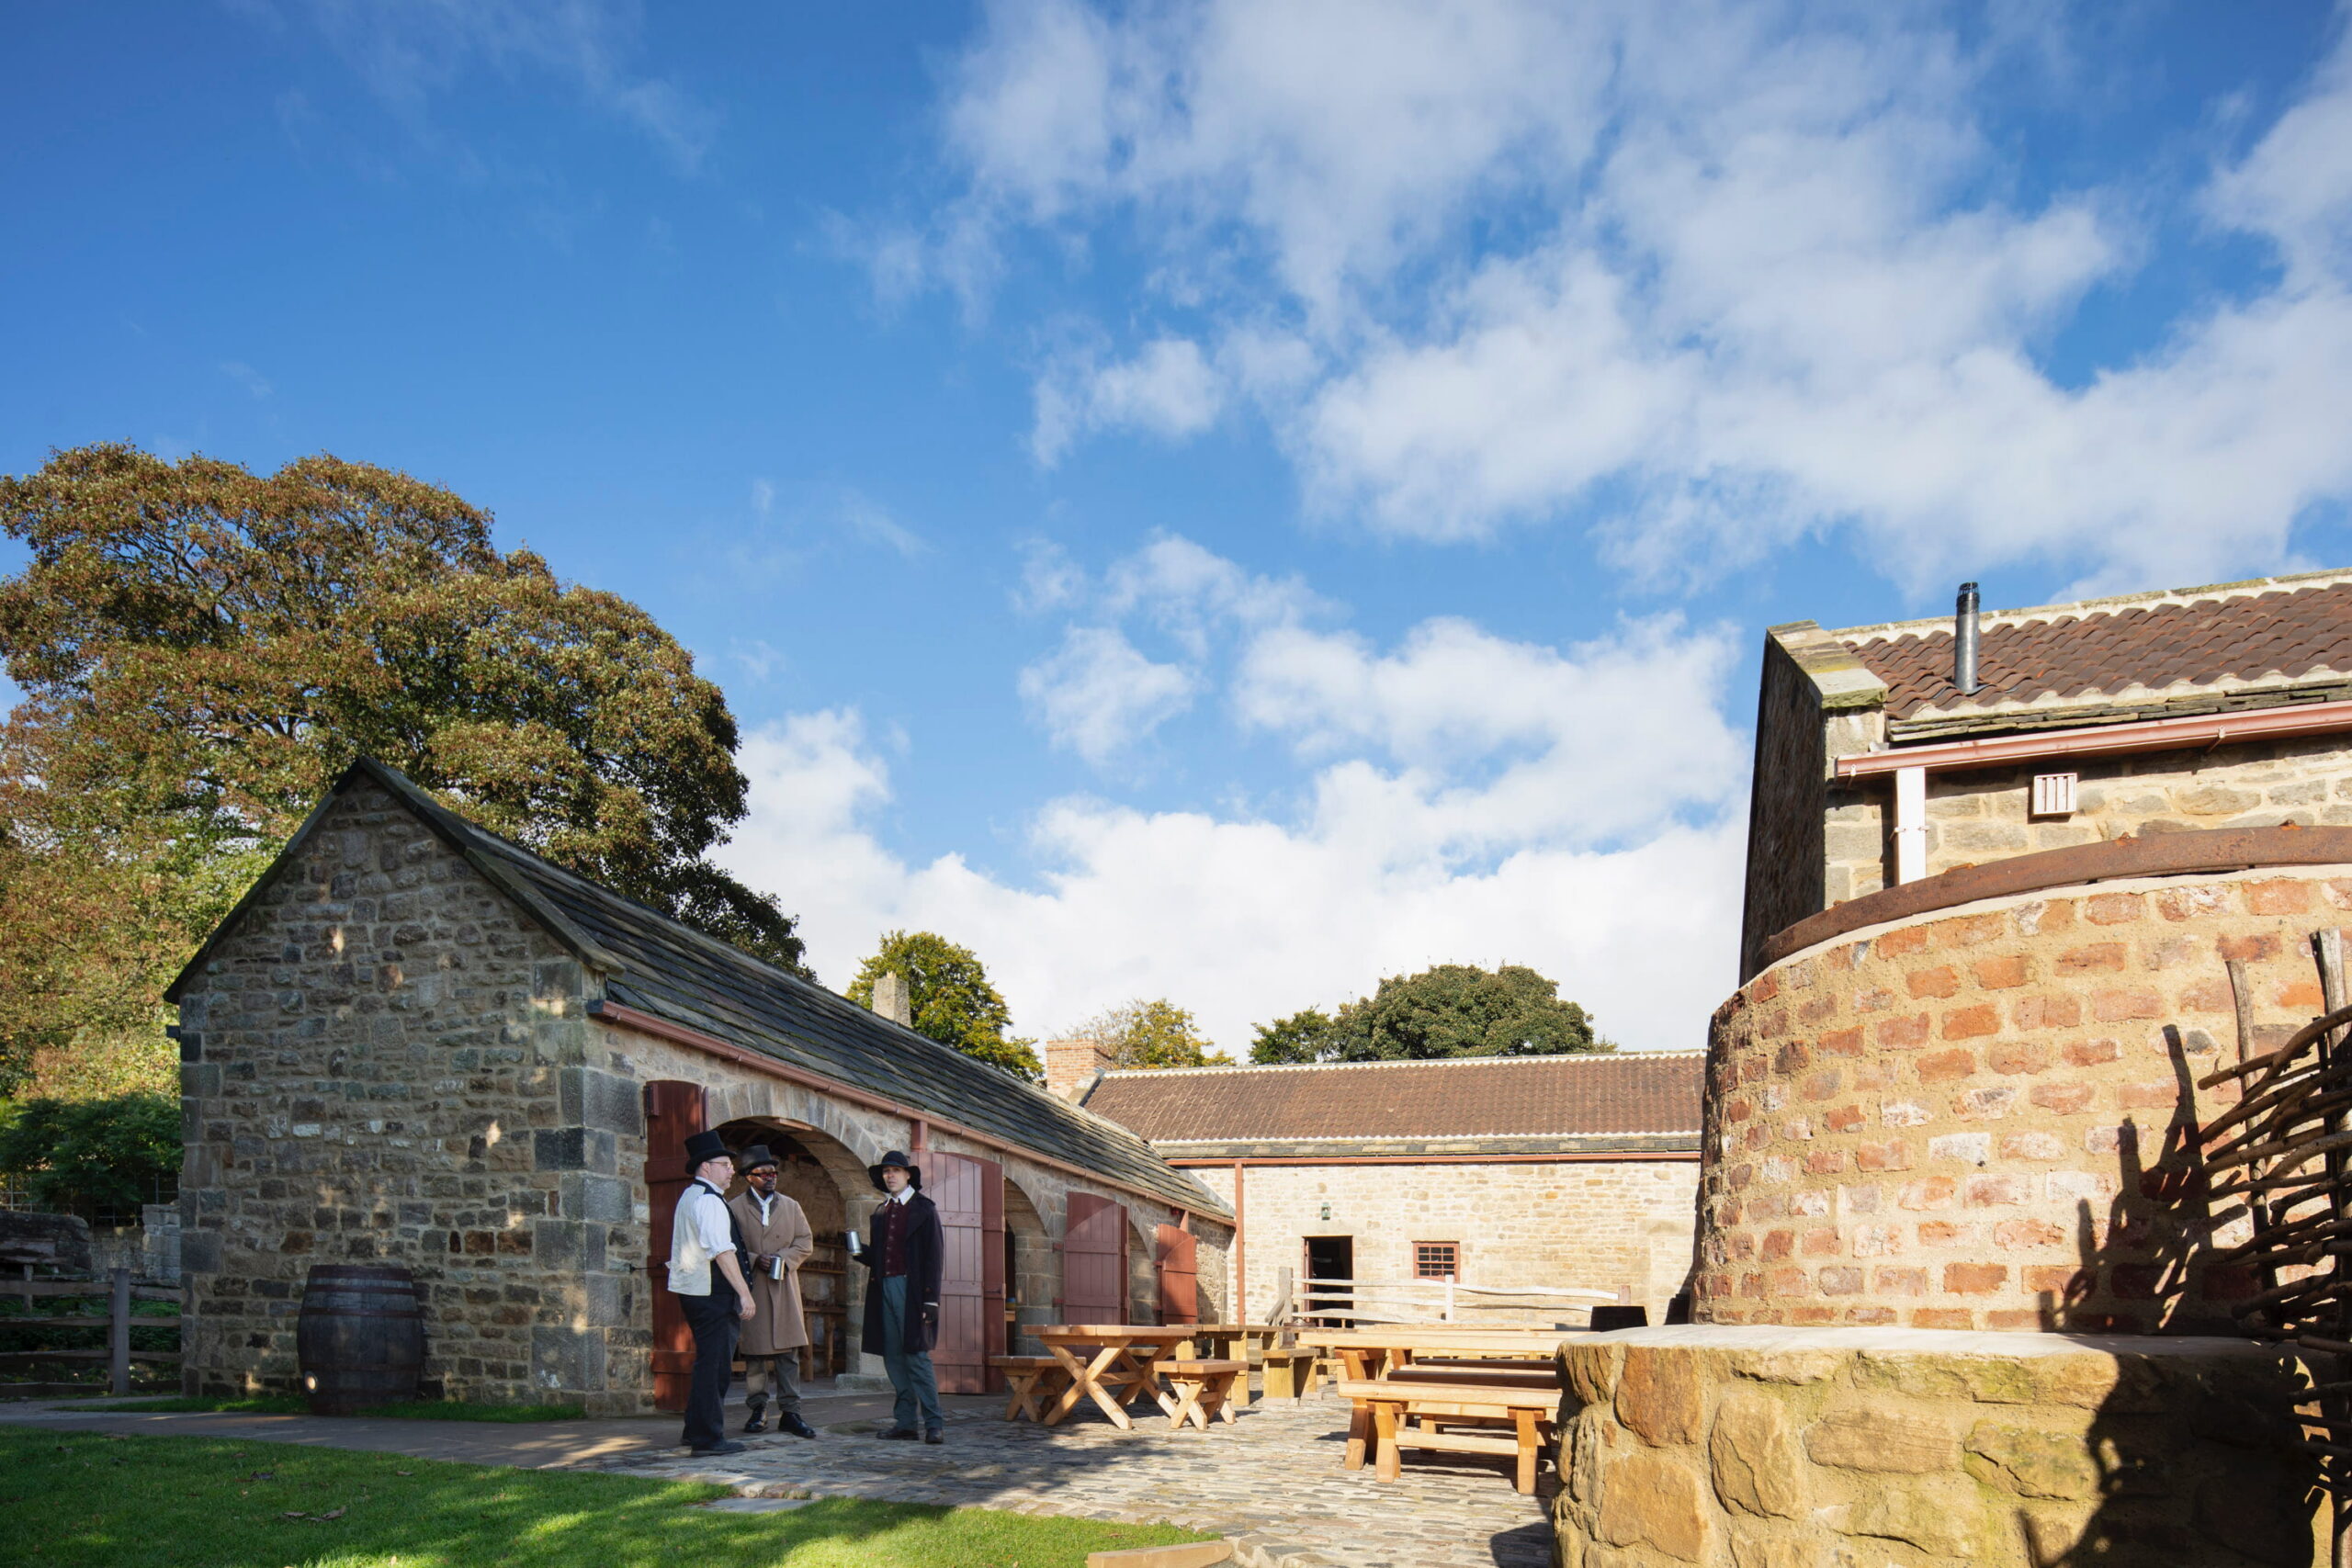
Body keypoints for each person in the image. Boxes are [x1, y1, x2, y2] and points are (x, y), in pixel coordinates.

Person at [668, 1128, 756, 1456]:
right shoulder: (707, 1201)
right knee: (715, 1366)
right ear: (706, 1167)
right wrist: (744, 1293)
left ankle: (695, 1431)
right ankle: (707, 1439)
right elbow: (722, 1251)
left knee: (708, 1363)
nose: (731, 1170)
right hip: (712, 1293)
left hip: (699, 1293)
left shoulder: (691, 1196)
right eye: (724, 1164)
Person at [726, 1144, 818, 1438]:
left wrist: (783, 1260)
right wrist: (755, 1259)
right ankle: (758, 1410)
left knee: (788, 1354)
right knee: (754, 1355)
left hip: (784, 1285)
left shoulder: (791, 1206)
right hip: (752, 1287)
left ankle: (791, 1413)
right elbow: (729, 1247)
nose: (770, 1177)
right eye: (762, 1173)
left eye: (773, 1172)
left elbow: (804, 1242)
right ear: (748, 1177)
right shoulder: (733, 1208)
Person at [854, 1149, 944, 1443]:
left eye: (895, 1171)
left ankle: (934, 1423)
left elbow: (934, 1257)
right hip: (884, 1289)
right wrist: (859, 1251)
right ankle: (905, 1423)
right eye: (885, 1172)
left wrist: (931, 1300)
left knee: (917, 1357)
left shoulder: (924, 1209)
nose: (889, 1176)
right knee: (893, 1358)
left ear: (908, 1175)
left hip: (913, 1291)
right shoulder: (881, 1211)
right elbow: (880, 1259)